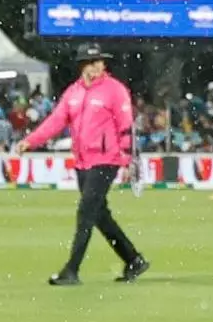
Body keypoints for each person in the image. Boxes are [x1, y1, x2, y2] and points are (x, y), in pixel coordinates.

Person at [21, 49, 147, 285]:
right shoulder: (74, 92)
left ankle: (71, 270)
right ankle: (133, 259)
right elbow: (55, 121)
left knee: (86, 213)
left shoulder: (115, 90)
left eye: (97, 62)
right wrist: (31, 141)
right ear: (82, 66)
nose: (94, 67)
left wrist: (128, 158)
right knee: (100, 216)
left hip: (106, 160)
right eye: (89, 63)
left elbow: (126, 126)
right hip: (82, 162)